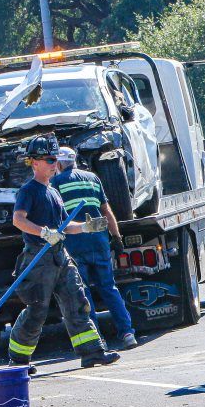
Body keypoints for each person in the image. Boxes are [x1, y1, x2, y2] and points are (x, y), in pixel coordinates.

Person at [8, 134, 121, 372]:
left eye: (55, 159)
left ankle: (92, 352)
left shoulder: (54, 191)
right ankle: (18, 362)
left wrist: (85, 227)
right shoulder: (28, 191)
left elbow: (63, 227)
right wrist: (43, 233)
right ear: (34, 162)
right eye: (49, 160)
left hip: (60, 255)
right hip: (39, 257)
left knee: (76, 301)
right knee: (37, 310)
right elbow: (19, 220)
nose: (54, 164)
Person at [51, 146, 137, 350]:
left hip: (75, 244)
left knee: (83, 293)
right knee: (109, 288)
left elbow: (54, 217)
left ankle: (98, 340)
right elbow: (106, 211)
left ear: (59, 163)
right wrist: (117, 238)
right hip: (99, 242)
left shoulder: (55, 184)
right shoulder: (92, 178)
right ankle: (127, 333)